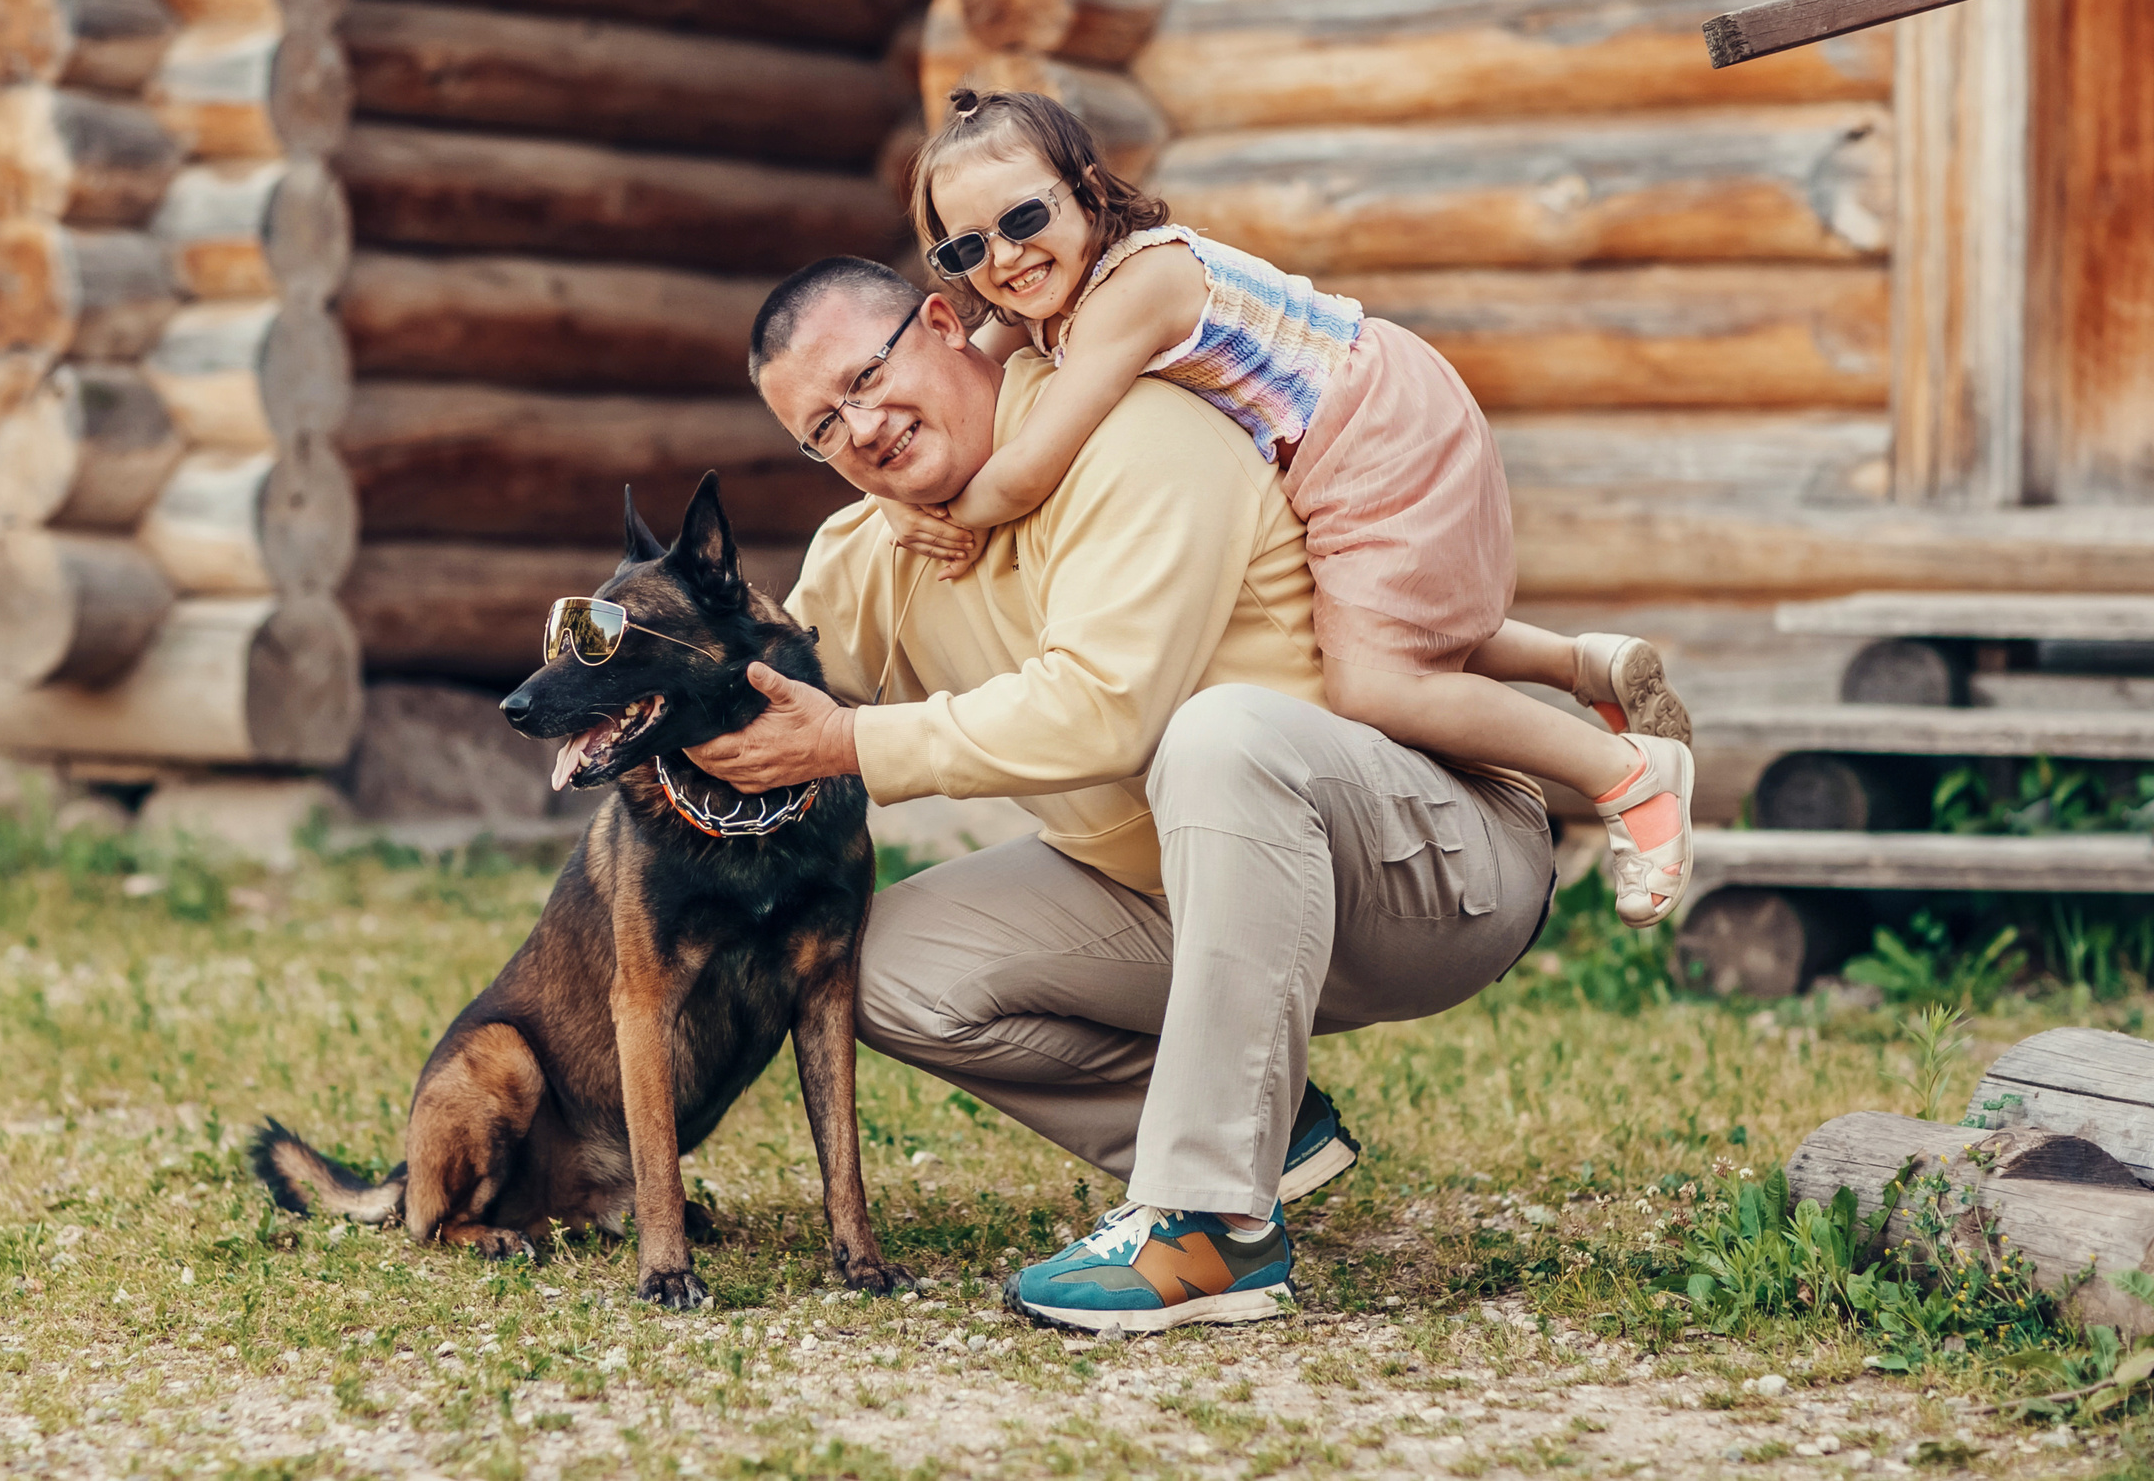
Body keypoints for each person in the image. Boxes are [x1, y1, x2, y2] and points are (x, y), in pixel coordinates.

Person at [684, 251, 1557, 1333]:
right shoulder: (874, 547)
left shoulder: (1139, 436)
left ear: (946, 325)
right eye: (821, 427)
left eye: (865, 378)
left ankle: (1210, 1225)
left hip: (1429, 868)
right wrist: (648, 683)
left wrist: (851, 743)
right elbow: (770, 687)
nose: (858, 429)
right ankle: (1254, 1127)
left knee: (1221, 733)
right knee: (877, 964)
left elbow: (1104, 710)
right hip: (1194, 907)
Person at [874, 89, 1693, 926]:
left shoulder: (1135, 285)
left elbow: (1022, 472)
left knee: (1376, 685)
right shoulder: (1039, 300)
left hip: (1378, 428)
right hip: (1327, 451)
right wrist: (894, 497)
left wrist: (939, 512)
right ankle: (1582, 665)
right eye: (967, 247)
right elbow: (954, 398)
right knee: (1371, 626)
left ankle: (1627, 775)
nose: (1005, 256)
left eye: (1023, 218)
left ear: (1085, 188)